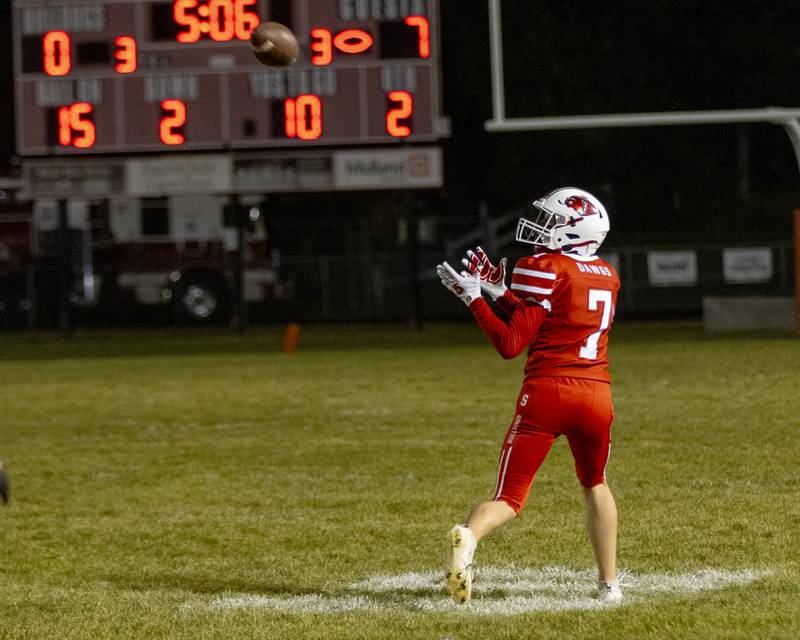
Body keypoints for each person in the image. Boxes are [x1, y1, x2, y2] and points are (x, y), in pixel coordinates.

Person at [436, 187, 622, 605]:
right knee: (596, 484)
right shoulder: (608, 275)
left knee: (510, 496)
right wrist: (502, 294)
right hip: (596, 395)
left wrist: (474, 299)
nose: (542, 229)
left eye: (553, 222)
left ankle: (469, 536)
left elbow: (512, 341)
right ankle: (609, 585)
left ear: (576, 230)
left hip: (547, 394)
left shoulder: (541, 267)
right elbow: (553, 314)